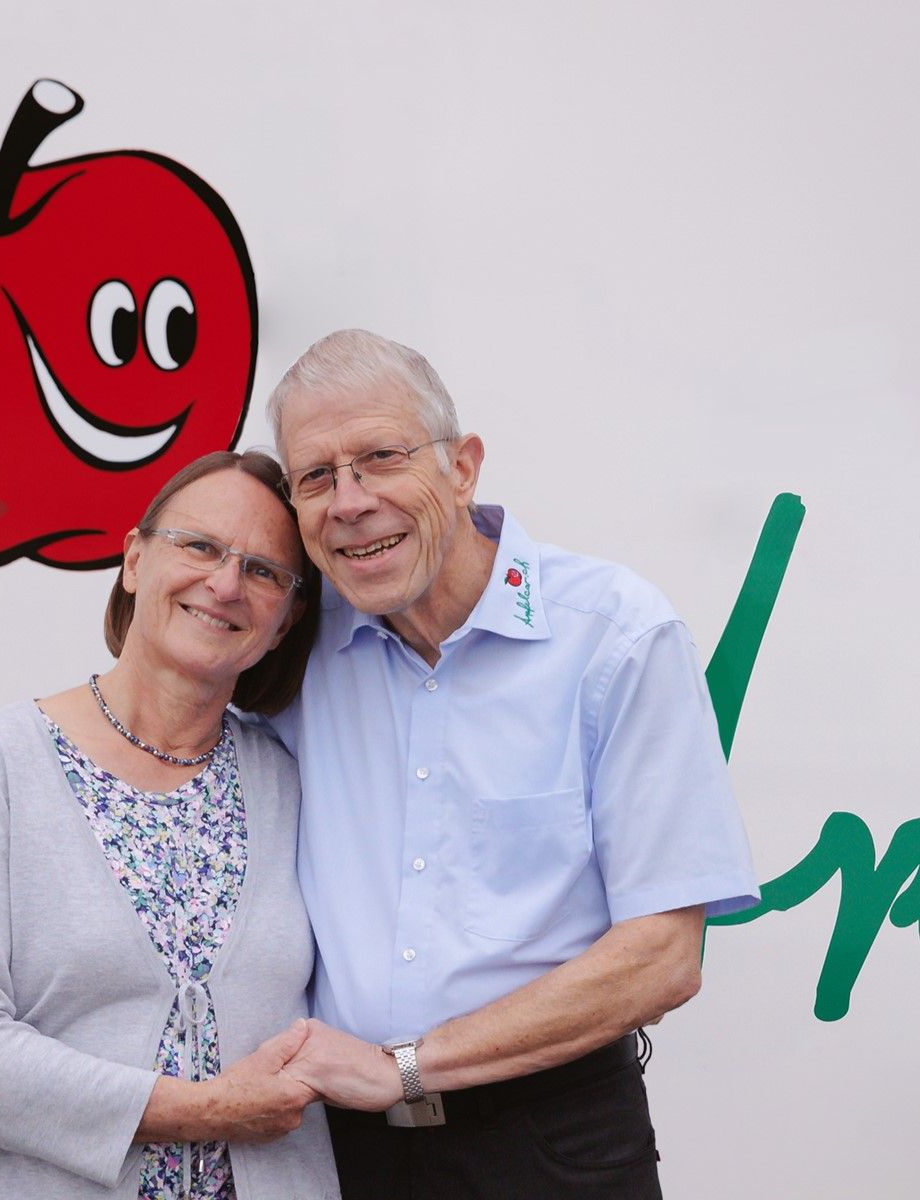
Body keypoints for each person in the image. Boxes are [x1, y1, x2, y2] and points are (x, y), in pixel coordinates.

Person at [260, 330, 760, 1199]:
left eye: (381, 457)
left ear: (463, 468)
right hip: (336, 1153)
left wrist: (408, 1068)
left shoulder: (615, 635)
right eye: (316, 477)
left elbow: (663, 957)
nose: (350, 501)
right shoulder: (292, 649)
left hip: (552, 1143)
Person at [0, 451, 340, 1199]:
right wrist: (202, 1112)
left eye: (264, 572)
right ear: (134, 559)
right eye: (199, 546)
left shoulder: (292, 781)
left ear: (288, 618)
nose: (225, 584)